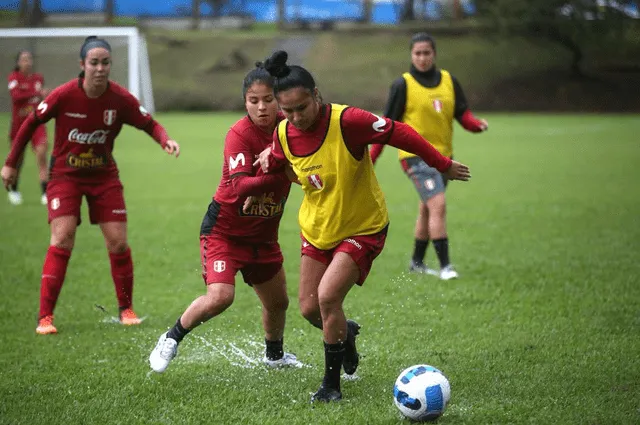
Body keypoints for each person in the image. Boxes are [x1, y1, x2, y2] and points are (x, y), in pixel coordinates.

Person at [254, 50, 471, 402]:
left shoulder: (347, 121)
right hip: (317, 229)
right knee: (309, 308)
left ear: (316, 95)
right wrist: (268, 164)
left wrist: (441, 163)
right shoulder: (282, 133)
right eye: (288, 111)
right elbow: (283, 164)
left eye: (302, 107)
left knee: (328, 297)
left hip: (362, 227)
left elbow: (400, 132)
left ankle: (330, 386)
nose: (295, 117)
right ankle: (346, 336)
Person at [1, 36, 181, 335]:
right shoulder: (63, 95)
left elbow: (148, 123)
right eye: (94, 62)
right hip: (65, 177)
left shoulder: (120, 99)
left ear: (110, 65)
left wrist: (165, 140)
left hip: (104, 177)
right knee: (62, 238)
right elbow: (31, 123)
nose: (100, 68)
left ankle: (126, 309)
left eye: (105, 62)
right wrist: (10, 162)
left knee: (118, 241)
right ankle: (45, 317)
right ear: (82, 65)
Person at [149, 63, 301, 373]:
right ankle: (171, 338)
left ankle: (274, 356)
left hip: (263, 235)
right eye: (253, 100)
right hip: (225, 232)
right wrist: (279, 170)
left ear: (280, 99)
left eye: (268, 99)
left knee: (278, 302)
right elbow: (240, 185)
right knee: (221, 296)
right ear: (245, 101)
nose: (261, 107)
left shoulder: (291, 126)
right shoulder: (239, 134)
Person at [370, 32, 488, 280]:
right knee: (438, 204)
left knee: (427, 208)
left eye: (427, 53)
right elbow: (386, 125)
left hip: (444, 158)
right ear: (411, 55)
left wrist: (476, 125)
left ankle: (416, 262)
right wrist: (372, 157)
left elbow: (462, 114)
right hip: (414, 157)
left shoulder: (449, 81)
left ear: (434, 54)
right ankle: (446, 267)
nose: (422, 58)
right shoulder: (402, 84)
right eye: (417, 53)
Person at [7, 50, 49, 205]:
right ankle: (14, 190)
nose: (27, 62)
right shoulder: (13, 78)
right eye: (24, 59)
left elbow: (41, 97)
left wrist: (43, 96)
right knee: (18, 160)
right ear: (18, 62)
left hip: (36, 123)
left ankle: (45, 192)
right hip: (19, 126)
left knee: (42, 154)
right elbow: (16, 97)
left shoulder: (38, 78)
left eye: (29, 59)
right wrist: (36, 93)